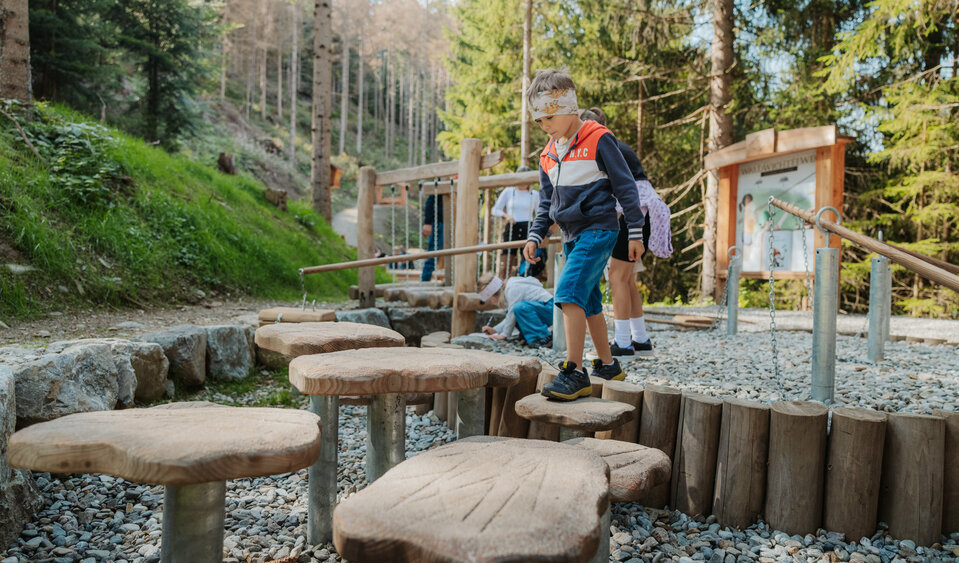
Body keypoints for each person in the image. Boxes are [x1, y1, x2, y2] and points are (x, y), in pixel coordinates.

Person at [522, 69, 646, 401]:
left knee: (568, 291)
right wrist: (536, 235)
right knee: (589, 301)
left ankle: (575, 371)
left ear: (568, 107)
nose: (544, 125)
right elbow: (546, 202)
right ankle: (607, 364)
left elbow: (626, 187)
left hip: (600, 228)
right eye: (538, 121)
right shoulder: (547, 155)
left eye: (549, 116)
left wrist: (635, 231)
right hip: (572, 235)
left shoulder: (599, 138)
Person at [580, 108, 673, 357]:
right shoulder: (619, 145)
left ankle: (622, 342)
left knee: (617, 278)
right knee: (628, 279)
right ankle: (640, 339)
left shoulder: (605, 145)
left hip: (629, 213)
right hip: (643, 211)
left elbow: (619, 188)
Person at [479, 259, 553, 347]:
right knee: (515, 310)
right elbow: (510, 317)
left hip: (550, 308)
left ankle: (542, 337)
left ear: (494, 294)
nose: (491, 302)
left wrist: (504, 335)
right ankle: (528, 336)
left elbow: (512, 314)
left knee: (519, 308)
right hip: (542, 309)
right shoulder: (510, 287)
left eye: (489, 298)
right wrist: (495, 330)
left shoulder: (512, 288)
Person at [492, 168, 540, 278]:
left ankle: (525, 286)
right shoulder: (508, 191)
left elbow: (539, 214)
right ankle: (502, 288)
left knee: (527, 262)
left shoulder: (535, 194)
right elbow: (495, 209)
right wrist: (506, 216)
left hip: (528, 228)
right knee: (506, 262)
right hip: (512, 227)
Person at [420, 193, 444, 281]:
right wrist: (428, 222)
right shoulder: (441, 180)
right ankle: (424, 282)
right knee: (433, 254)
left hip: (455, 221)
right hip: (440, 222)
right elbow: (430, 201)